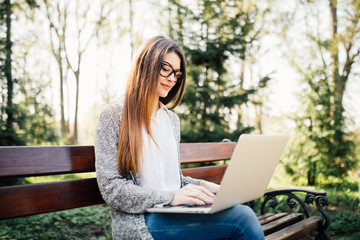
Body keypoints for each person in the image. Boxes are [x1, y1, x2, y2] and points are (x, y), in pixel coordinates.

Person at [94, 36, 265, 240]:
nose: (172, 78)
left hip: (175, 212)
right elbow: (112, 188)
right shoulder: (113, 116)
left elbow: (172, 181)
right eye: (165, 68)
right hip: (142, 221)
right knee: (241, 219)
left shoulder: (171, 120)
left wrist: (209, 188)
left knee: (236, 212)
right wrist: (170, 197)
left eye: (177, 73)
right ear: (146, 64)